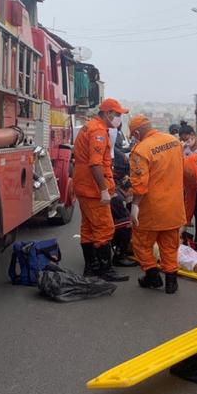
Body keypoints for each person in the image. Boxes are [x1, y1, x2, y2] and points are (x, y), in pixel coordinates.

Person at [73, 98, 130, 282]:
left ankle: (92, 268)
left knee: (89, 228)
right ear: (108, 113)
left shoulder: (91, 126)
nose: (119, 118)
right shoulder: (98, 131)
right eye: (118, 114)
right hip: (93, 188)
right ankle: (105, 269)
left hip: (84, 185)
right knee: (104, 228)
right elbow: (96, 163)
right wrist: (104, 190)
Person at [128, 115, 186, 294]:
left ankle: (153, 277)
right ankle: (171, 282)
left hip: (151, 208)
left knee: (141, 244)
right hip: (174, 205)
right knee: (169, 245)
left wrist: (135, 206)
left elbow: (140, 184)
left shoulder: (140, 150)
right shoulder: (174, 142)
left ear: (137, 133)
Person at [110, 176, 137, 267]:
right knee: (127, 223)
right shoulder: (119, 199)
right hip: (107, 225)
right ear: (130, 190)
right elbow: (123, 216)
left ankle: (124, 251)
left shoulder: (117, 193)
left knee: (127, 221)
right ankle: (120, 256)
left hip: (107, 222)